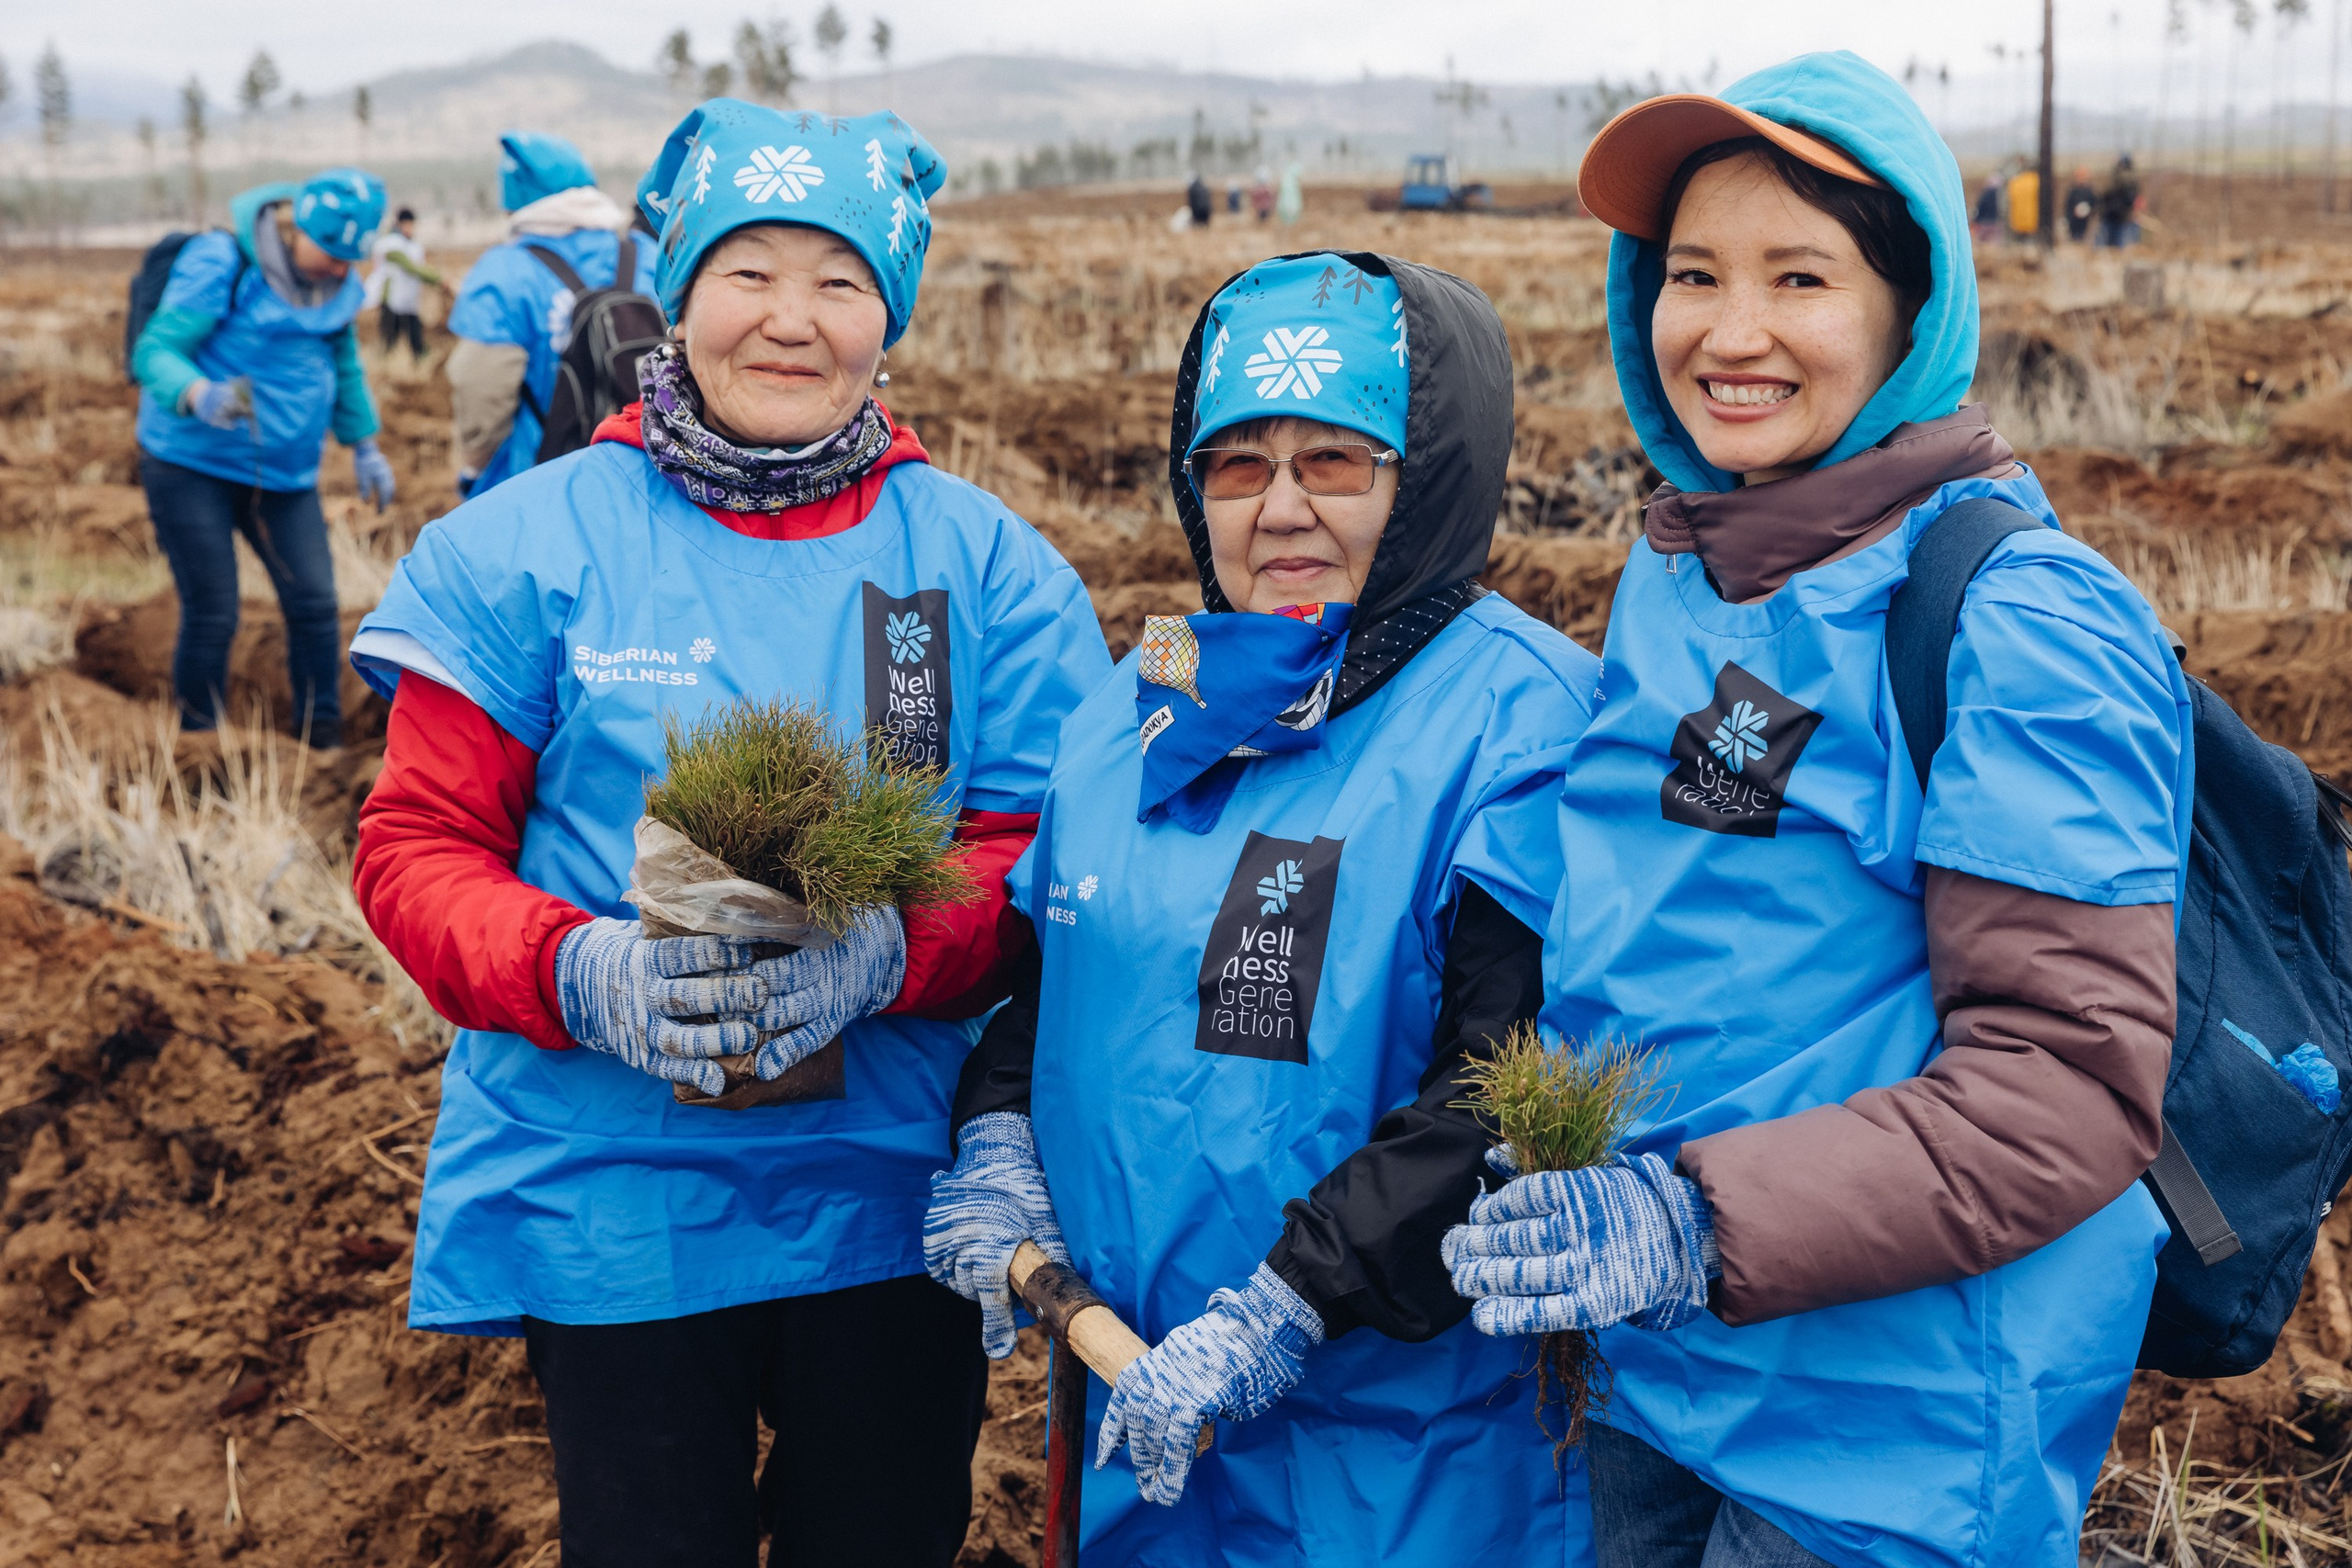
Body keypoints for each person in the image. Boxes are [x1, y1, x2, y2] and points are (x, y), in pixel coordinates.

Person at [346, 98, 1111, 1567]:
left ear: (886, 317)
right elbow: (417, 848)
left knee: (881, 1536)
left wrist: (892, 949)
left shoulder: (986, 566)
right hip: (613, 1194)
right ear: (676, 288)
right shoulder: (530, 544)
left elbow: (1046, 856)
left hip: (897, 1187)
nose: (790, 319)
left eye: (840, 281)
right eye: (747, 271)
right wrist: (585, 973)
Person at [1447, 55, 2188, 1568]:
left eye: (1801, 277)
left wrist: (1692, 1222)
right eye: (1693, 274)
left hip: (1888, 1449)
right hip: (1664, 1377)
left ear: (1911, 312)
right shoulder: (1683, 566)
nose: (1731, 334)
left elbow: (2064, 1087)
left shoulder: (2015, 615)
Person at [925, 253, 1600, 1565]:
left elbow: (1502, 1082)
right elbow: (1066, 976)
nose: (1280, 509)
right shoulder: (1144, 697)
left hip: (1406, 1456)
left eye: (1336, 463)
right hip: (1138, 1415)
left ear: (1427, 483)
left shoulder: (1523, 720)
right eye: (1238, 464)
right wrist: (995, 1131)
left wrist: (1286, 1306)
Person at [130, 166, 391, 747]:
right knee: (215, 609)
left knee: (315, 604)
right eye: (330, 252)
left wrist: (364, 444)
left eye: (353, 258)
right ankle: (201, 744)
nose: (341, 269)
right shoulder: (222, 262)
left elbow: (343, 367)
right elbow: (158, 349)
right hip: (190, 462)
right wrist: (198, 393)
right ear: (296, 227)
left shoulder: (338, 289)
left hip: (285, 472)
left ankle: (320, 746)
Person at [446, 130, 658, 497]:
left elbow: (481, 387)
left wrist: (476, 465)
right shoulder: (648, 256)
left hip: (543, 482)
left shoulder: (503, 272)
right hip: (651, 472)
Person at [368, 207, 443, 360]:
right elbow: (410, 267)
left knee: (415, 339)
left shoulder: (413, 245)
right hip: (391, 300)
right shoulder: (390, 244)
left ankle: (420, 364)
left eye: (412, 225)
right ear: (400, 224)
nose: (410, 228)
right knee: (389, 341)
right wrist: (437, 279)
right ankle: (384, 369)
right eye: (407, 224)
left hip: (409, 300)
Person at [2100, 152, 2143, 247]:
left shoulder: (2122, 178)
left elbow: (2129, 197)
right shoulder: (2131, 178)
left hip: (2119, 214)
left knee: (2117, 241)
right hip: (2116, 214)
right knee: (2117, 241)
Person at [2006, 158, 2041, 243]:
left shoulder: (2015, 182)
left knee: (2019, 247)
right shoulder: (2037, 181)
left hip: (2017, 221)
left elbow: (2009, 203)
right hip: (2034, 221)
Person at [2064, 165, 2098, 243]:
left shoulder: (2090, 190)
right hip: (2074, 221)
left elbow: (2094, 204)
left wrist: (2089, 211)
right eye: (2079, 175)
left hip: (2086, 222)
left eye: (2083, 175)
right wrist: (2069, 218)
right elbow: (2068, 206)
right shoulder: (2073, 190)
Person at [1971, 169, 2004, 244]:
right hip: (1996, 222)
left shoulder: (1986, 194)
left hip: (1985, 222)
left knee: (1983, 243)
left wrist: (1977, 220)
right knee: (1994, 244)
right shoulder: (2001, 195)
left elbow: (1981, 207)